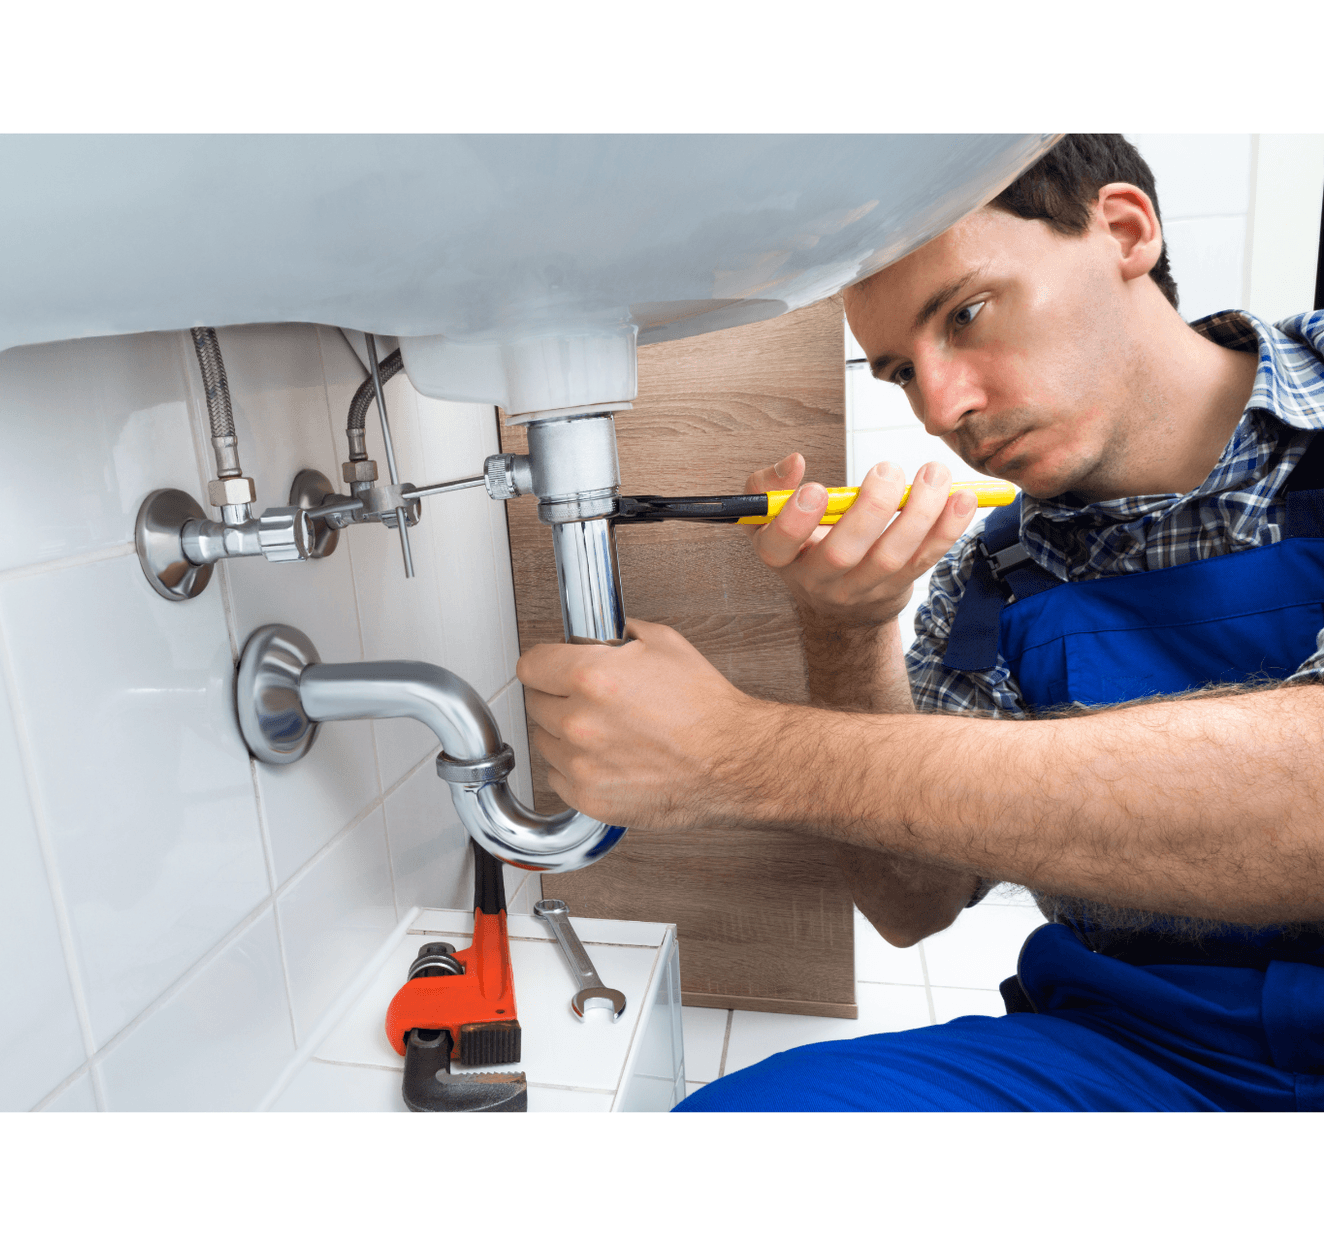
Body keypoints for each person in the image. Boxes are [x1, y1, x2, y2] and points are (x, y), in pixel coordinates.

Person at [516, 134, 1324, 1111]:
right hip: (1125, 1058)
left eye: (968, 313)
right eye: (899, 371)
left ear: (1122, 229)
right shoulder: (989, 580)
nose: (944, 407)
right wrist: (844, 627)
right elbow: (912, 905)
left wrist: (737, 753)